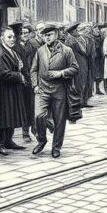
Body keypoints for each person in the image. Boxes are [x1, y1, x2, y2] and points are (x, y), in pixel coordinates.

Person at [31, 23, 79, 158]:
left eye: (49, 34)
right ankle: (41, 140)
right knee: (39, 116)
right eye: (45, 35)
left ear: (56, 34)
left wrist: (61, 73)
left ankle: (56, 147)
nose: (47, 37)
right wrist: (35, 85)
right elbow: (33, 70)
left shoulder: (66, 50)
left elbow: (75, 68)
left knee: (59, 120)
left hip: (60, 90)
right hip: (43, 89)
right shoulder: (40, 51)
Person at [0, 27, 29, 156]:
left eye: (13, 37)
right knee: (0, 117)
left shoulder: (10, 50)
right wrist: (20, 76)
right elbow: (4, 73)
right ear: (2, 38)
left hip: (9, 89)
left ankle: (8, 141)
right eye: (9, 37)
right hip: (0, 91)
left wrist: (19, 67)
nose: (12, 39)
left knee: (9, 115)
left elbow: (13, 67)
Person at [65, 23, 93, 110]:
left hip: (82, 63)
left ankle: (83, 101)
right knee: (78, 83)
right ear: (72, 32)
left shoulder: (76, 39)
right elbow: (83, 51)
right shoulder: (71, 41)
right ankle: (79, 102)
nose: (77, 32)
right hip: (77, 63)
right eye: (76, 31)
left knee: (83, 82)